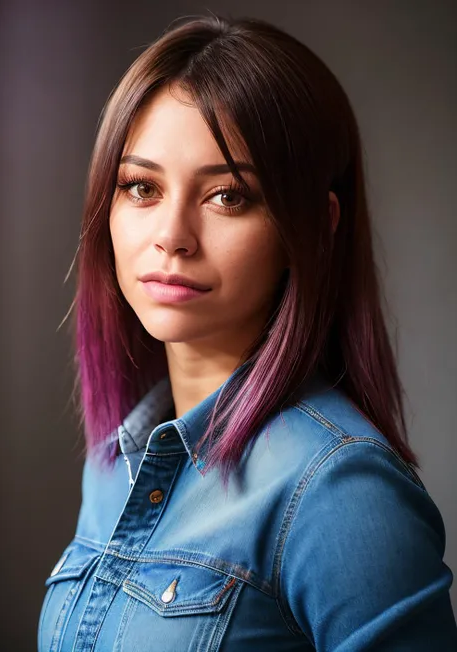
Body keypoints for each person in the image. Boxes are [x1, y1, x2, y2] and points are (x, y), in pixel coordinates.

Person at [38, 13, 457, 652]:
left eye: (228, 195)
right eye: (141, 186)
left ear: (313, 227)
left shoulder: (338, 492)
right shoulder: (114, 465)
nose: (172, 235)